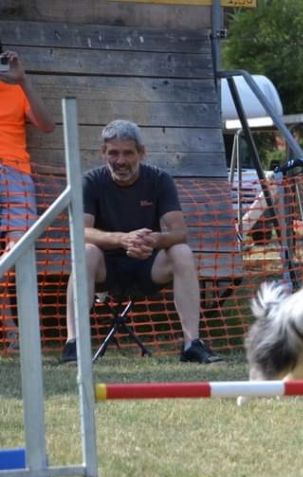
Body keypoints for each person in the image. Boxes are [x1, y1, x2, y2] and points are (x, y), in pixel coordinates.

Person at [60, 120, 222, 364]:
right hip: (106, 270)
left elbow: (180, 232)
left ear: (142, 153)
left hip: (149, 267)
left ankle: (192, 343)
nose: (120, 160)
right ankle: (74, 344)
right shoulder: (90, 182)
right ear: (103, 153)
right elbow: (78, 231)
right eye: (113, 153)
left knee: (182, 252)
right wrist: (122, 239)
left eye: (128, 153)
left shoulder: (159, 180)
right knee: (86, 251)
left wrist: (154, 240)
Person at [1, 48, 55, 347]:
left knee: (18, 251)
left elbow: (47, 126)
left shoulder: (15, 88)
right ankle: (10, 328)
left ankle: (20, 329)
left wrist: (22, 81)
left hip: (15, 171)